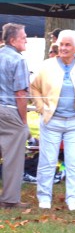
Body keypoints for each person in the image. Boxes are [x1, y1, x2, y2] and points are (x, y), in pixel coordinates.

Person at [31, 29, 75, 211]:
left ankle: (73, 200)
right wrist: (40, 107)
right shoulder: (46, 66)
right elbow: (34, 87)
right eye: (61, 44)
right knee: (47, 161)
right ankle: (44, 197)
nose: (63, 48)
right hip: (51, 121)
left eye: (68, 45)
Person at [0, 23, 31, 208]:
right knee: (14, 157)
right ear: (13, 40)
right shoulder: (18, 60)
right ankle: (10, 199)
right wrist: (24, 122)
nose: (26, 39)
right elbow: (21, 94)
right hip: (9, 110)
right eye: (23, 36)